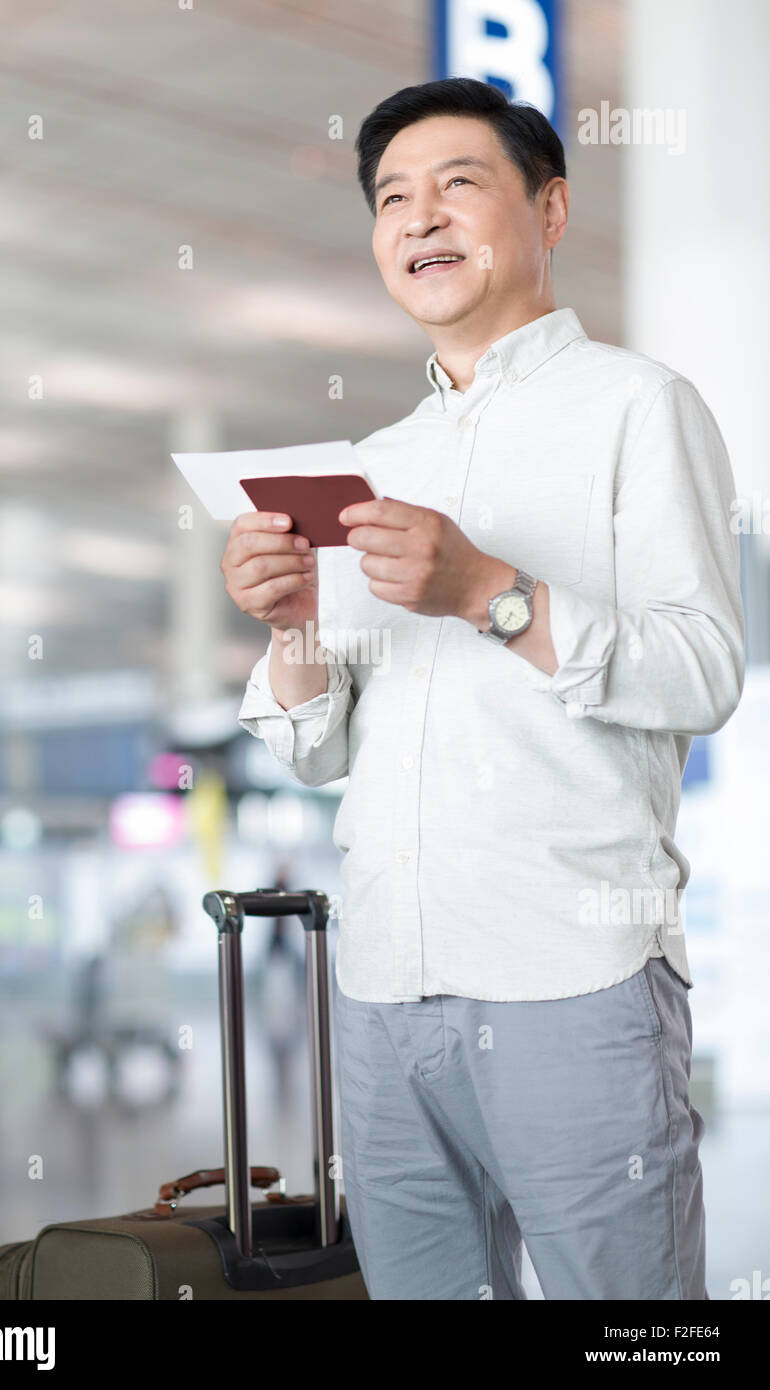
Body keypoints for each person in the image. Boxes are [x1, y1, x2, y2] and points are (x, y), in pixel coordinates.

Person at [223, 78, 744, 1300]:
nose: (421, 218)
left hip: (572, 970)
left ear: (548, 210)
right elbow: (313, 745)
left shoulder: (635, 407)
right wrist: (293, 620)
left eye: (459, 183)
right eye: (392, 198)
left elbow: (705, 669)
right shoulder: (371, 465)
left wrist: (487, 594)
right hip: (384, 987)